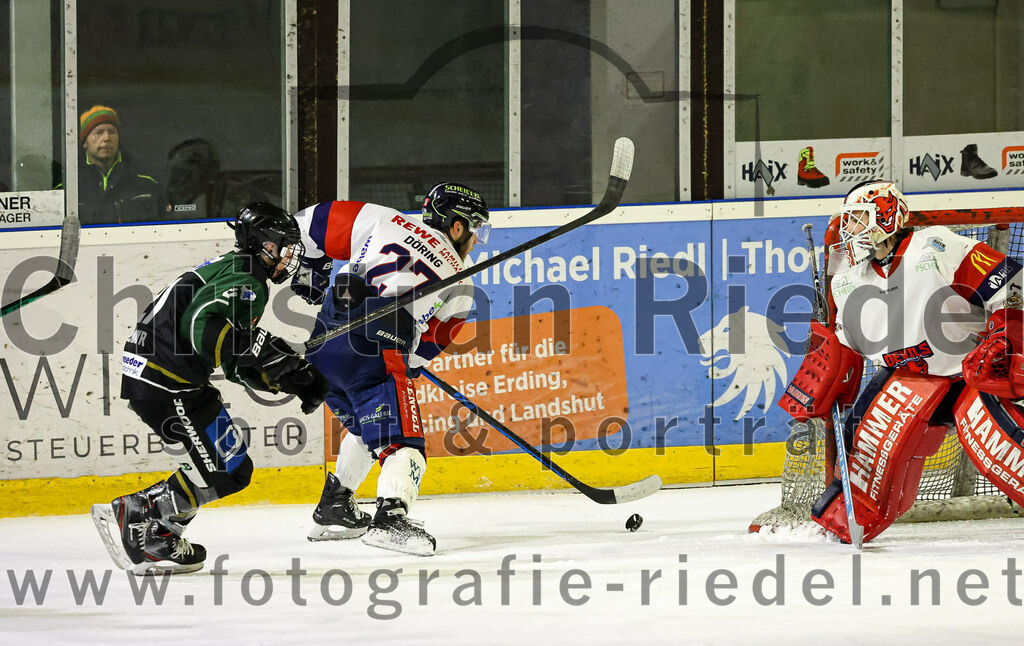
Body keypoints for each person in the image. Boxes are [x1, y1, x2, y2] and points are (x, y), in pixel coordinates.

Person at [778, 180, 1024, 543]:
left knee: (1004, 449)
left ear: (886, 215)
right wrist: (826, 373)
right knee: (861, 449)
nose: (849, 229)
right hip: (905, 381)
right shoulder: (845, 279)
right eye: (847, 221)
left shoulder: (935, 245)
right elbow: (845, 347)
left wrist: (1006, 336)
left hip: (968, 373)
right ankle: (844, 523)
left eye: (859, 218)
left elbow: (1011, 283)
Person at [91, 202, 329, 575]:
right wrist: (272, 354)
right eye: (283, 246)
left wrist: (288, 376)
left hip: (173, 380)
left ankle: (159, 534)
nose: (288, 256)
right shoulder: (247, 280)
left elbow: (234, 361)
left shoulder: (240, 272)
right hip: (164, 382)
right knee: (220, 472)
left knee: (234, 471)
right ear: (263, 244)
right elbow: (202, 326)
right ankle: (140, 510)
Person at [290, 183, 491, 556]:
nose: (477, 239)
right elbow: (427, 348)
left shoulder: (382, 218)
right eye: (476, 228)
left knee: (370, 430)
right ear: (457, 226)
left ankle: (335, 506)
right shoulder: (462, 279)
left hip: (323, 343)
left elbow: (306, 222)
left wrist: (312, 270)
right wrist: (406, 366)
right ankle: (390, 520)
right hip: (375, 348)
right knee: (404, 444)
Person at [76, 105, 161, 224]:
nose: (107, 138)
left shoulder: (146, 179)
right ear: (85, 142)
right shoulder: (70, 182)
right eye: (99, 132)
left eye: (112, 132)